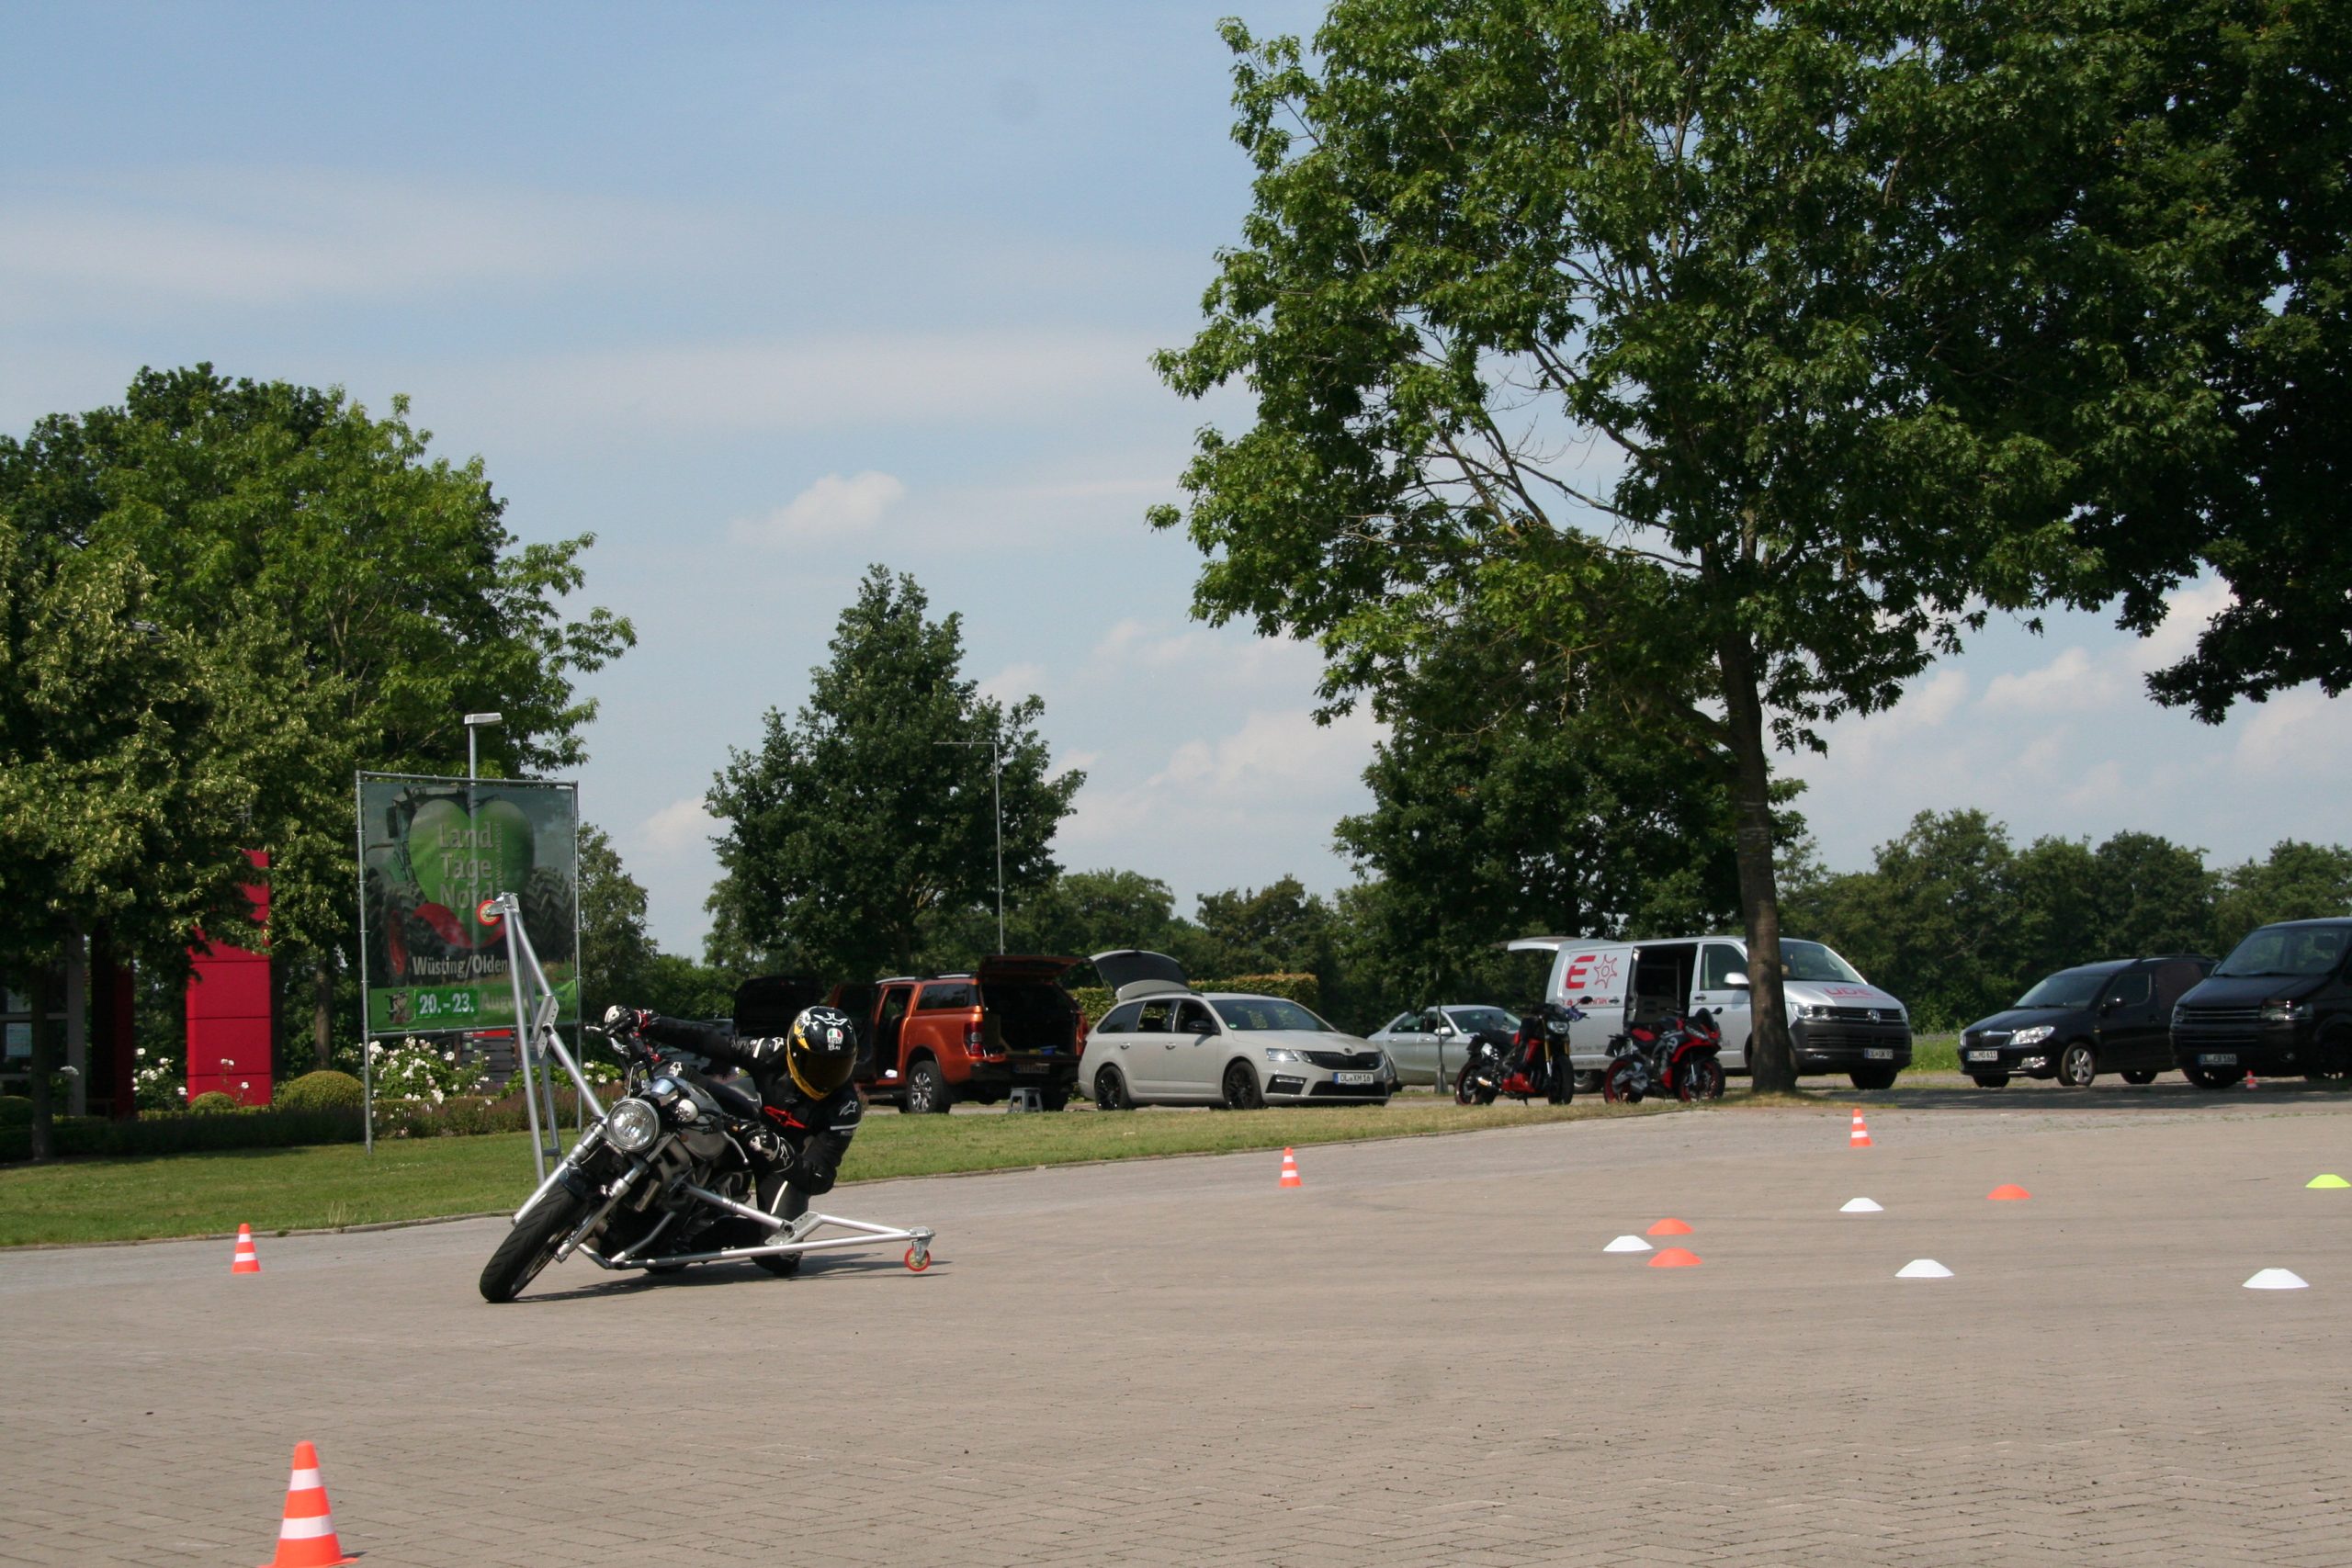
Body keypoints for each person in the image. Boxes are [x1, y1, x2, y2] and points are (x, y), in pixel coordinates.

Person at [603, 1001, 864, 1271]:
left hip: (782, 1161)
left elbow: (820, 1178)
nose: (827, 1078)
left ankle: (711, 1230)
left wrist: (776, 1150)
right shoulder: (771, 1052)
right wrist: (647, 1021)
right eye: (819, 1065)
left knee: (782, 1256)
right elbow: (711, 1040)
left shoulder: (845, 1107)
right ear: (794, 1053)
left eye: (838, 1067)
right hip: (744, 1119)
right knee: (675, 1080)